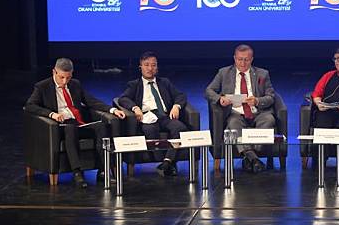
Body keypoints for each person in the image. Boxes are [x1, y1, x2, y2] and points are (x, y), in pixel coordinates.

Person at [25, 58, 126, 188]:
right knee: (70, 128)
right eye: (61, 77)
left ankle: (102, 171)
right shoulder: (42, 87)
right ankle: (77, 173)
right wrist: (51, 114)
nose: (64, 81)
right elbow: (29, 106)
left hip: (78, 123)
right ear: (54, 72)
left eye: (68, 78)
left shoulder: (75, 84)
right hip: (59, 126)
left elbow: (91, 101)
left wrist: (112, 110)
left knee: (101, 127)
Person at [205, 44, 276, 173]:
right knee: (233, 123)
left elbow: (271, 97)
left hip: (257, 112)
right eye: (239, 59)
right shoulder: (224, 72)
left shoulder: (262, 74)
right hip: (235, 113)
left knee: (269, 119)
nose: (242, 63)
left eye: (246, 60)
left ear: (252, 59)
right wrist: (220, 99)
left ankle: (248, 156)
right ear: (234, 58)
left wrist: (257, 101)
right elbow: (209, 90)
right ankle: (253, 158)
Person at [117, 51, 190, 177]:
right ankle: (165, 163)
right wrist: (135, 108)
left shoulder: (164, 82)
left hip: (165, 116)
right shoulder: (134, 84)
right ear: (140, 67)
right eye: (147, 65)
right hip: (147, 117)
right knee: (150, 130)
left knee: (180, 128)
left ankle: (166, 162)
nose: (150, 68)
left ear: (157, 67)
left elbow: (180, 95)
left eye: (153, 65)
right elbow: (123, 99)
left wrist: (176, 106)